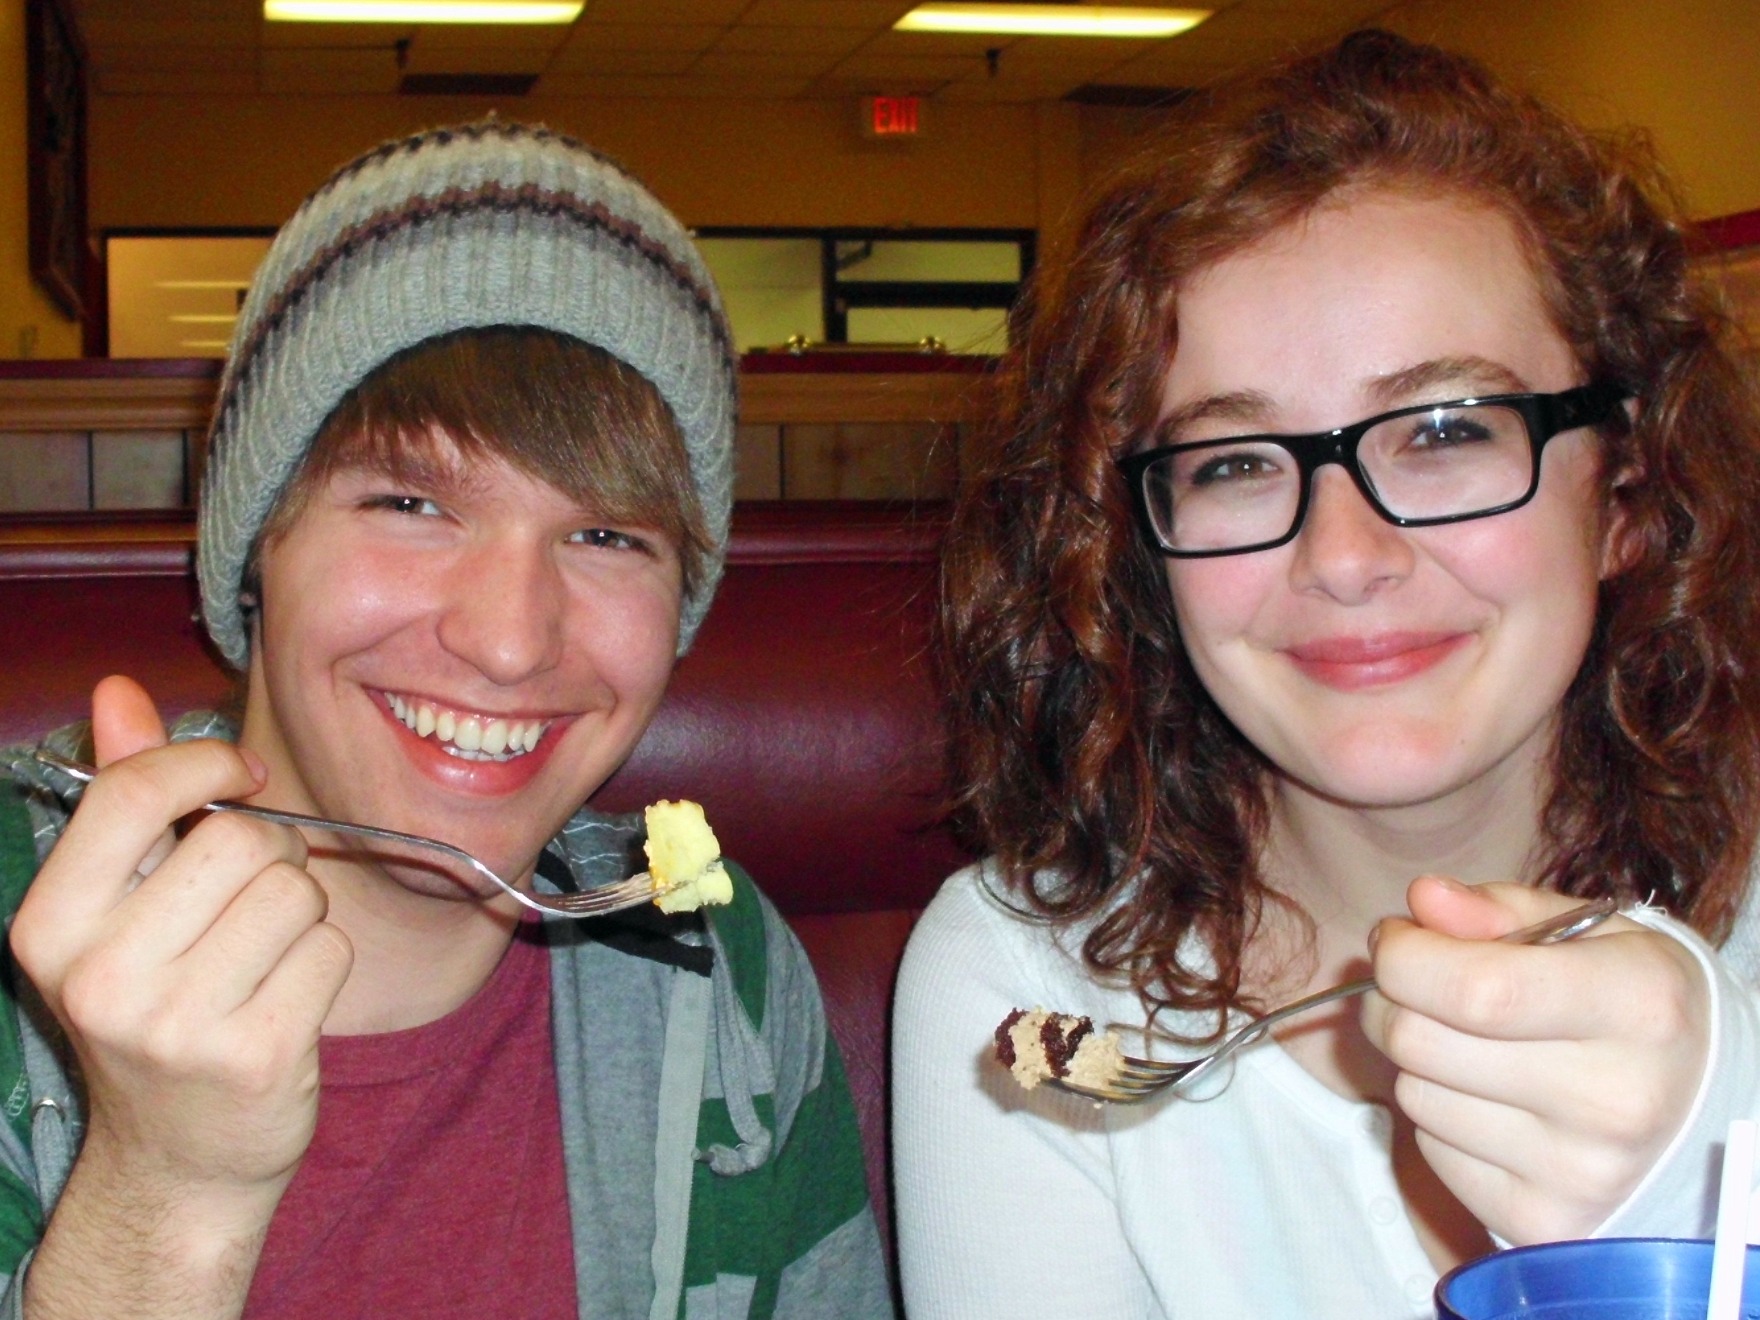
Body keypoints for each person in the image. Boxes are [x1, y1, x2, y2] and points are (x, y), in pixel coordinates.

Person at [894, 29, 1760, 1318]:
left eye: (1446, 433)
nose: (1341, 556)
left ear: (1626, 490)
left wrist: (1687, 1191)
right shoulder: (1024, 988)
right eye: (1234, 463)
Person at [0, 122, 889, 1318]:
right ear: (256, 544)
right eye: (411, 501)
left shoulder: (711, 967)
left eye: (607, 534)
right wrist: (168, 1189)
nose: (511, 639)